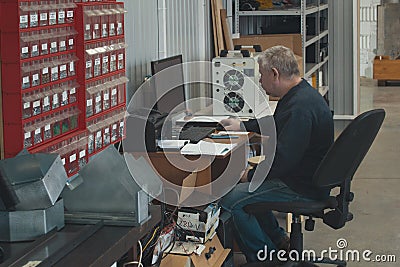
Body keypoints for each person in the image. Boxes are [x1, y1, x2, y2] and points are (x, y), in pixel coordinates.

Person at [219, 45, 334, 263]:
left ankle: (267, 258)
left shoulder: (299, 108)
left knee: (231, 200)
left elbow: (284, 161)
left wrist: (250, 175)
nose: (261, 82)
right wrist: (243, 125)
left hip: (301, 185)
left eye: (262, 76)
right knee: (250, 193)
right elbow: (277, 123)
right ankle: (279, 240)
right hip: (309, 178)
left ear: (275, 74)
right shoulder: (301, 94)